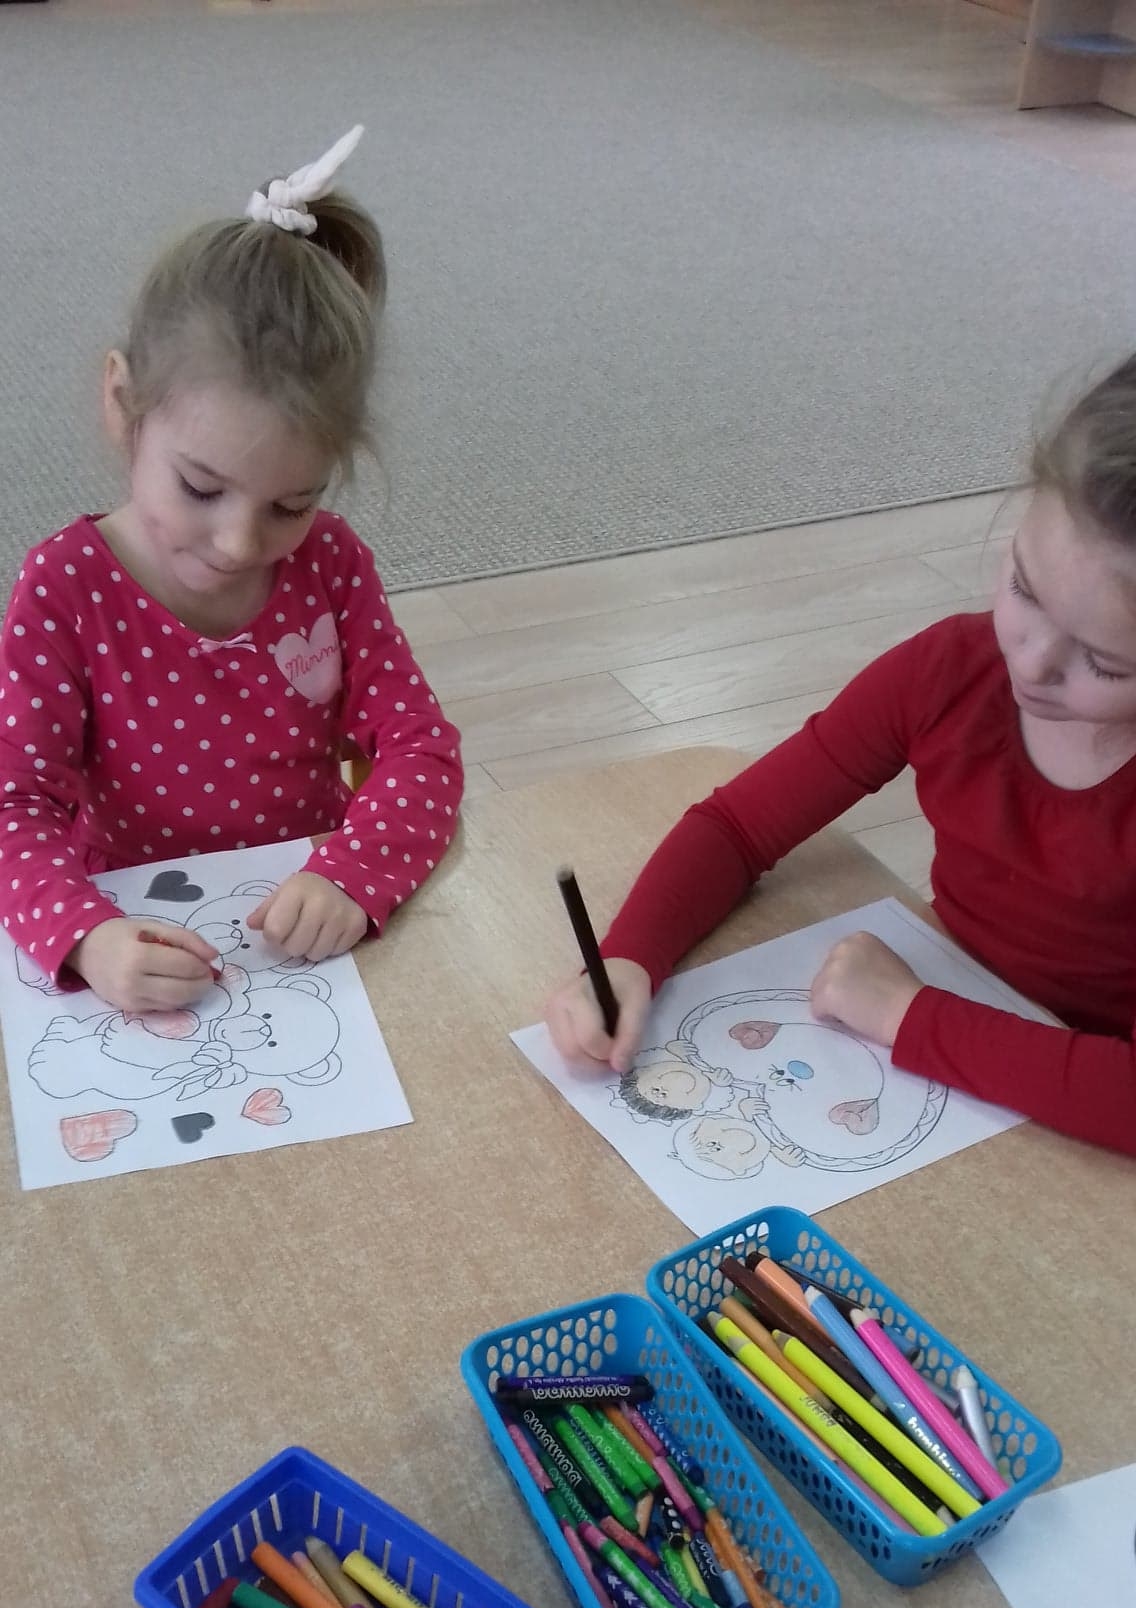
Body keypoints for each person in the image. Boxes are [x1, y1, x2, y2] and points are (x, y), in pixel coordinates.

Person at [545, 354, 1136, 1156]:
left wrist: (909, 1015)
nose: (1030, 663)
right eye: (1025, 590)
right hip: (954, 1068)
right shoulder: (952, 671)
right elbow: (737, 828)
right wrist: (628, 957)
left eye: (1102, 662)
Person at [0, 126, 462, 1013]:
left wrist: (355, 871)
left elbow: (421, 749)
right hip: (132, 931)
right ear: (122, 401)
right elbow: (14, 806)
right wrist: (85, 935)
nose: (241, 544)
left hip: (305, 944)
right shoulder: (64, 587)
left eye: (292, 503)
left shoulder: (331, 564)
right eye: (201, 488)